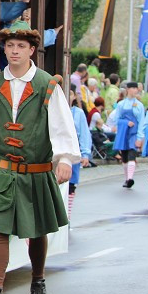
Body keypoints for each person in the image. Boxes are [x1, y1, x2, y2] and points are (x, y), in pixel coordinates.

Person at [0, 20, 78, 294]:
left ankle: (38, 281)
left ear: (32, 50)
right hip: (2, 172)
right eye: (9, 45)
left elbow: (61, 126)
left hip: (37, 170)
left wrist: (65, 159)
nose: (14, 51)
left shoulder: (47, 84)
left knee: (37, 230)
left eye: (20, 46)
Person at [114, 81, 146, 189]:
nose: (134, 91)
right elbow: (116, 119)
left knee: (132, 154)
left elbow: (142, 121)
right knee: (124, 156)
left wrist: (140, 137)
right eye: (132, 88)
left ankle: (130, 178)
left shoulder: (140, 106)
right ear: (128, 89)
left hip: (134, 133)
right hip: (123, 133)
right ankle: (127, 177)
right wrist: (125, 123)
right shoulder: (121, 104)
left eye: (136, 89)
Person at [68, 90, 92, 218]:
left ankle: (68, 216)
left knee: (71, 184)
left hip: (74, 150)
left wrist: (85, 153)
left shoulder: (78, 113)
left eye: (71, 93)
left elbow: (84, 134)